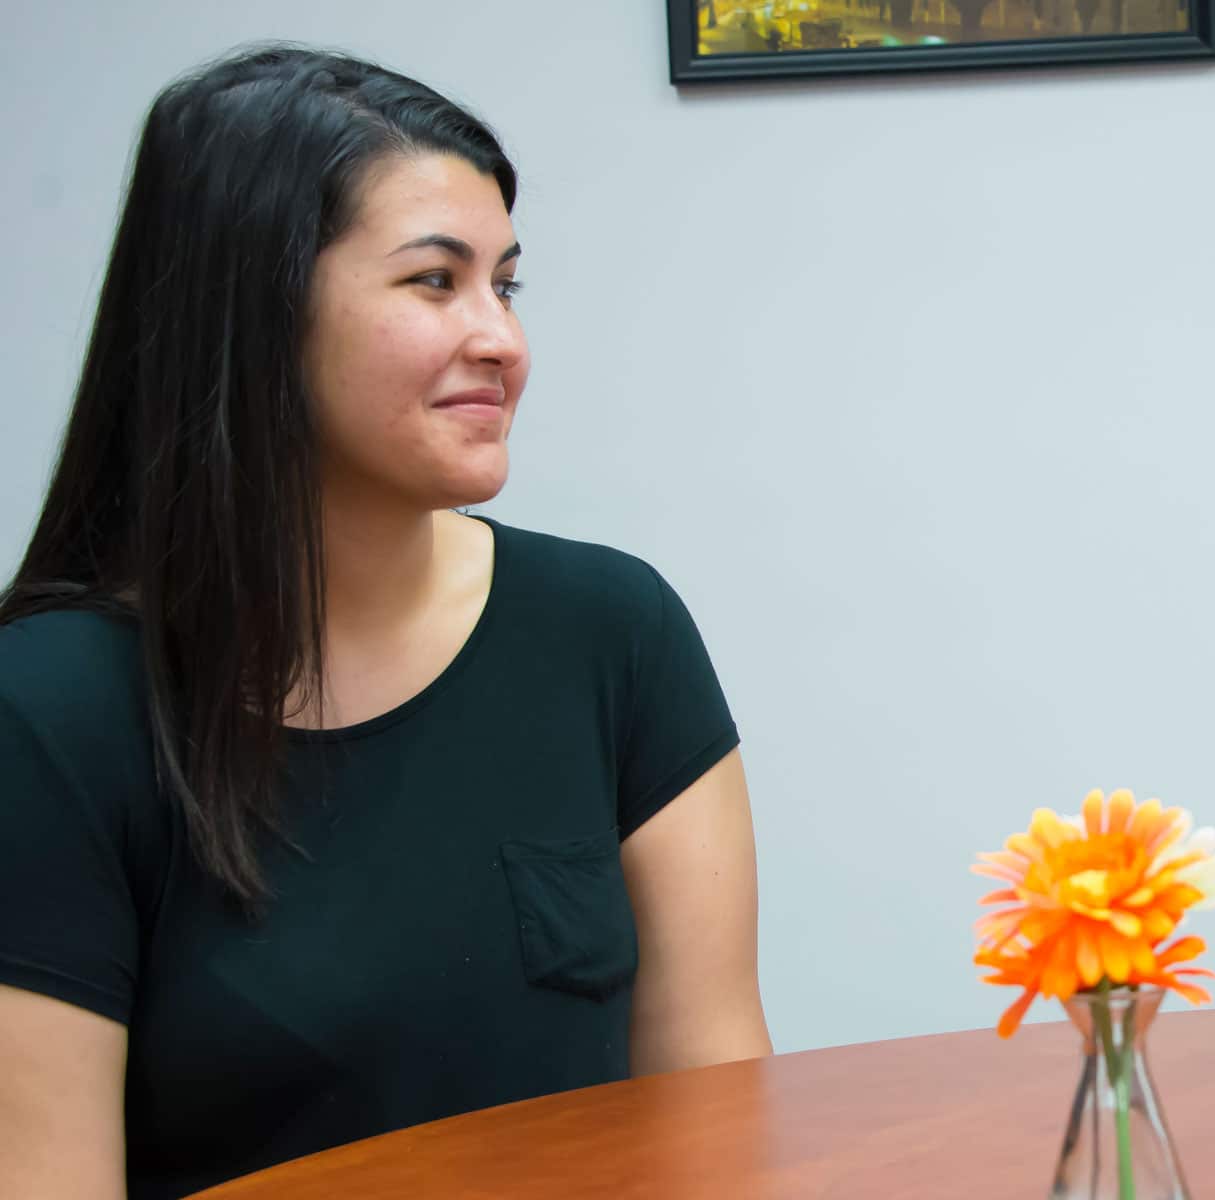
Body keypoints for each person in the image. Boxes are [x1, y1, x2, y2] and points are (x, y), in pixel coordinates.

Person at [0, 45, 771, 1198]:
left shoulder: (614, 633)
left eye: (504, 285)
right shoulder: (50, 712)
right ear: (252, 317)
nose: (501, 340)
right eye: (433, 282)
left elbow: (716, 1123)